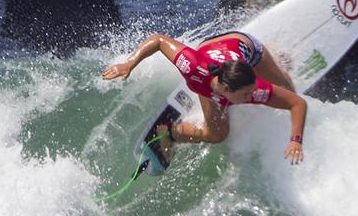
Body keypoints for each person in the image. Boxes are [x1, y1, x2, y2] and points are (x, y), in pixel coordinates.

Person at [102, 31, 306, 164]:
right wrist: (129, 63)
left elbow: (297, 102)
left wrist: (296, 140)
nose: (252, 96)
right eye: (245, 94)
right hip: (211, 48)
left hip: (248, 48)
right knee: (217, 135)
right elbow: (158, 40)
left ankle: (276, 57)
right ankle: (169, 133)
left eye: (251, 91)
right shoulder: (194, 67)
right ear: (225, 88)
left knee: (286, 86)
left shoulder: (254, 89)